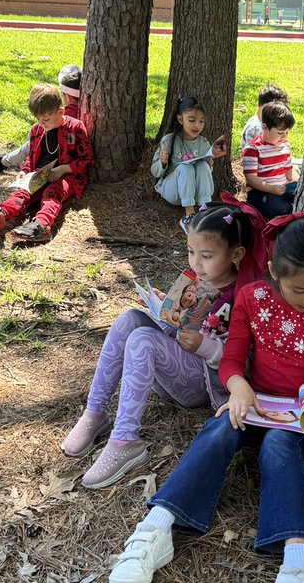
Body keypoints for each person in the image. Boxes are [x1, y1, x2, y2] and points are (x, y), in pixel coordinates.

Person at [106, 217, 304, 583]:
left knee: (280, 443)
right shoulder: (252, 298)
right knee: (222, 424)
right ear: (276, 273)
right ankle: (158, 525)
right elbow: (231, 360)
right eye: (298, 290)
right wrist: (239, 385)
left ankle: (302, 564)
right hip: (259, 400)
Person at [63, 205, 258, 487]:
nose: (196, 263)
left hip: (202, 382)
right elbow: (175, 330)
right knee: (129, 319)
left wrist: (203, 345)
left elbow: (246, 359)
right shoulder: (195, 281)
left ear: (236, 254)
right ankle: (94, 413)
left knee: (143, 339)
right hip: (171, 368)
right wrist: (162, 309)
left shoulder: (244, 295)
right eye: (191, 252)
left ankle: (125, 440)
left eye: (206, 256)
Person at [0, 82, 92, 243]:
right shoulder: (36, 130)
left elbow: (87, 160)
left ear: (60, 111)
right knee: (23, 193)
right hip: (39, 174)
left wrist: (63, 169)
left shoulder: (75, 128)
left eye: (46, 119)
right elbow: (31, 156)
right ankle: (1, 213)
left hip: (66, 176)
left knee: (52, 194)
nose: (42, 123)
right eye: (38, 119)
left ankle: (42, 224)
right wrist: (24, 171)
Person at [0, 65, 82, 173]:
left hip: (58, 153)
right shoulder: (82, 108)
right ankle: (5, 162)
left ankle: (2, 162)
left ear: (68, 97)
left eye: (62, 95)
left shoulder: (69, 113)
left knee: (32, 143)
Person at [152, 96, 226, 224]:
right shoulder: (169, 140)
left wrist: (209, 165)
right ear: (180, 119)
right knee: (185, 167)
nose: (197, 126)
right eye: (191, 120)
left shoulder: (203, 143)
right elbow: (154, 172)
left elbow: (204, 176)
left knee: (203, 166)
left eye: (201, 121)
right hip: (173, 193)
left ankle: (205, 211)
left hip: (194, 194)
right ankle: (189, 215)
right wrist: (162, 162)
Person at [242, 101, 298, 219]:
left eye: (287, 132)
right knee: (282, 208)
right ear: (265, 127)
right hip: (260, 191)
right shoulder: (252, 148)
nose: (284, 137)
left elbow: (288, 171)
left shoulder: (285, 145)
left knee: (301, 197)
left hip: (282, 188)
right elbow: (251, 178)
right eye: (280, 133)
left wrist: (300, 183)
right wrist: (271, 189)